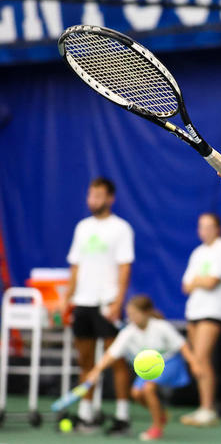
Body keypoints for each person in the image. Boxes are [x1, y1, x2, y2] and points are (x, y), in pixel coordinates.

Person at [62, 177, 134, 435]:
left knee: (115, 361)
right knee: (85, 363)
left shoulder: (121, 228)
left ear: (110, 199)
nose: (93, 200)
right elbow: (75, 267)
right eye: (91, 195)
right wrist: (67, 299)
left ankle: (122, 417)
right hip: (83, 302)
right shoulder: (82, 227)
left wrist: (118, 302)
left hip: (107, 303)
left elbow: (125, 267)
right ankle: (86, 416)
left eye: (99, 195)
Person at [85, 295, 202, 441]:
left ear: (146, 313)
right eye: (129, 315)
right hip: (148, 366)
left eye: (135, 314)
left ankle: (157, 427)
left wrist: (194, 363)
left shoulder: (161, 326)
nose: (131, 318)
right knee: (136, 394)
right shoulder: (128, 332)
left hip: (170, 361)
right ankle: (160, 414)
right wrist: (96, 370)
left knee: (148, 389)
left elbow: (182, 345)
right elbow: (111, 354)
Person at [179, 213, 221, 427]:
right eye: (201, 227)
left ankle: (208, 409)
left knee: (201, 358)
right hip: (193, 311)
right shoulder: (198, 252)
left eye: (209, 226)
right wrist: (198, 281)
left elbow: (212, 282)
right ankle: (204, 407)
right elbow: (186, 286)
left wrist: (197, 281)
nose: (205, 231)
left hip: (213, 311)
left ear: (218, 229)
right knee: (198, 361)